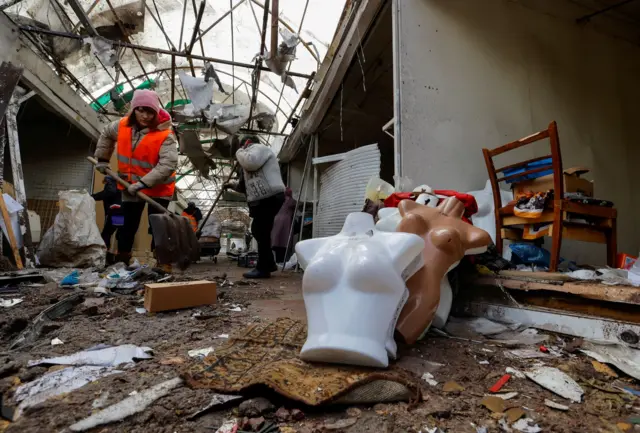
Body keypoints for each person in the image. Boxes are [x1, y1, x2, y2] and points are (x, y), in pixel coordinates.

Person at [93, 89, 178, 265]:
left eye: (150, 112)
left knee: (158, 226)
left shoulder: (165, 135)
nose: (145, 116)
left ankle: (162, 263)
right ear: (134, 109)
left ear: (156, 113)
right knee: (127, 224)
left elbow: (168, 165)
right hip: (129, 184)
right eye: (141, 110)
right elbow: (106, 134)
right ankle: (123, 260)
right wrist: (102, 159)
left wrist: (143, 183)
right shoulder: (122, 125)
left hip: (159, 188)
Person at [224, 135, 285, 278]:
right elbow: (244, 187)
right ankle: (268, 264)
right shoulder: (250, 159)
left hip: (269, 197)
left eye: (243, 147)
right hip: (262, 199)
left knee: (260, 230)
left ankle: (264, 268)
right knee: (260, 231)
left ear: (247, 143)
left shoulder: (259, 148)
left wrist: (238, 151)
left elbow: (250, 162)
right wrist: (231, 185)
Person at [92, 175, 122, 264]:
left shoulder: (111, 183)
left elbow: (108, 193)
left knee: (107, 233)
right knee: (116, 233)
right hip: (118, 211)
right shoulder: (118, 183)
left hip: (115, 211)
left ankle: (106, 256)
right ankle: (114, 255)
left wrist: (93, 196)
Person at [271, 187, 296, 263]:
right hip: (286, 221)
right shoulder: (290, 200)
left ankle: (279, 260)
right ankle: (282, 260)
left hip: (276, 220)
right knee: (284, 240)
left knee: (277, 239)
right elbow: (297, 205)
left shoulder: (278, 200)